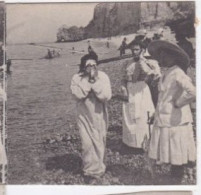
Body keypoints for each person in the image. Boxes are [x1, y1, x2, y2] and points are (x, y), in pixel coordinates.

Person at [148, 40, 196, 178]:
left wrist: (179, 103)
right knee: (170, 146)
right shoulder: (166, 73)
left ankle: (179, 175)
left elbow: (193, 91)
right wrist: (155, 115)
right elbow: (163, 98)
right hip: (165, 117)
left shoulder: (177, 73)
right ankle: (176, 173)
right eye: (160, 56)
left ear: (174, 57)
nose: (162, 59)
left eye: (165, 56)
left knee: (176, 145)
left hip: (176, 117)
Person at [70, 54, 112, 184]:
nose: (92, 68)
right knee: (87, 143)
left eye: (94, 65)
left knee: (99, 140)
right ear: (83, 67)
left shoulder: (103, 76)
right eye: (88, 65)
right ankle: (89, 170)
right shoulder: (76, 78)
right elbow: (78, 95)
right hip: (84, 115)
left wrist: (95, 81)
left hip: (99, 114)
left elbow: (106, 96)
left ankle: (99, 169)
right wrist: (88, 80)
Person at [120, 40, 161, 152]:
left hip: (141, 90)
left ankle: (145, 142)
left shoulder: (149, 62)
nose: (134, 52)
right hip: (130, 89)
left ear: (142, 50)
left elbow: (153, 75)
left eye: (136, 49)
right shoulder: (127, 62)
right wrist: (124, 90)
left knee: (143, 115)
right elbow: (123, 79)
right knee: (130, 115)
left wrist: (142, 60)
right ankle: (131, 143)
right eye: (132, 49)